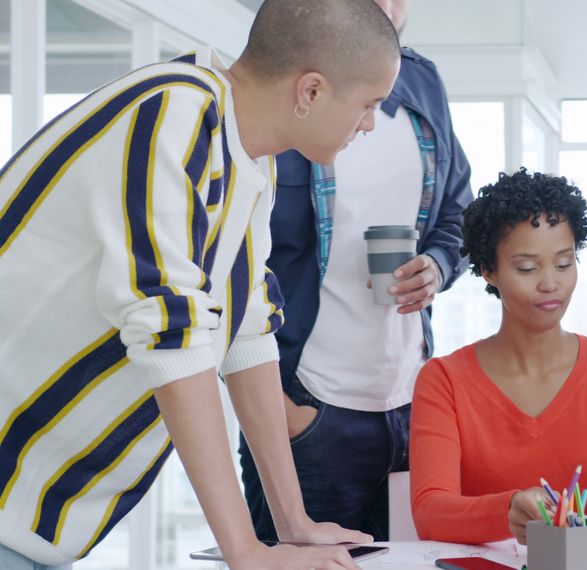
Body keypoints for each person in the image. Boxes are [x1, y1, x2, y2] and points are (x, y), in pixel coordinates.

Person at [0, 1, 400, 568]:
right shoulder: (175, 111)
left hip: (39, 522)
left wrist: (293, 525)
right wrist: (245, 551)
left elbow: (249, 332)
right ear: (311, 91)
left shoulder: (252, 163)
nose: (369, 123)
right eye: (369, 104)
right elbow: (170, 330)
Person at [238, 0, 473, 542]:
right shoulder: (279, 85)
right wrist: (281, 409)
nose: (387, 8)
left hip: (410, 401)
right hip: (309, 406)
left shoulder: (421, 82)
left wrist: (437, 267)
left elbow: (458, 214)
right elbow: (231, 270)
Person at [410, 170, 587, 553]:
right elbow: (429, 511)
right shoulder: (444, 380)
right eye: (527, 268)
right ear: (489, 270)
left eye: (564, 263)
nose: (550, 283)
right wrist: (507, 510)